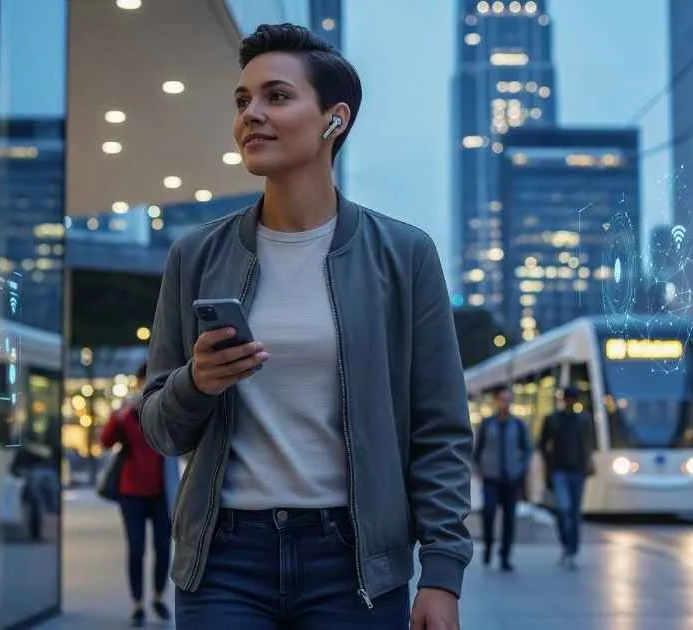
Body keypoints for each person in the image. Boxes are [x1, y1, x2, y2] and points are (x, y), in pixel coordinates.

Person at [139, 23, 472, 630]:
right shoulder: (196, 256)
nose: (251, 116)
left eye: (277, 97)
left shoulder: (404, 255)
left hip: (355, 564)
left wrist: (442, 573)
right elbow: (160, 428)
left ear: (334, 119)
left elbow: (440, 429)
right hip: (224, 560)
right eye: (242, 101)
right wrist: (198, 381)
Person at [102, 363, 172, 627]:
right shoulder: (128, 414)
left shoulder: (165, 412)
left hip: (162, 491)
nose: (148, 385)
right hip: (131, 492)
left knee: (164, 548)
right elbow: (106, 441)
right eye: (145, 379)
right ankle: (137, 603)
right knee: (136, 549)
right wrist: (118, 416)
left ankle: (157, 597)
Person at [472, 386, 530, 571]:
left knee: (509, 519)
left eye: (508, 399)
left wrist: (520, 467)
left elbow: (527, 449)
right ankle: (488, 546)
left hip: (511, 479)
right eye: (503, 399)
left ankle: (505, 556)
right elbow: (477, 449)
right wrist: (479, 468)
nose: (506, 403)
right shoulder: (487, 424)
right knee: (488, 513)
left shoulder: (518, 425)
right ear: (496, 401)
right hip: (491, 478)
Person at [538, 386, 595, 570]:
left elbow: (588, 444)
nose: (570, 402)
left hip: (577, 471)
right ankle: (567, 546)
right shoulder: (553, 419)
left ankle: (571, 550)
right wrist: (549, 465)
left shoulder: (584, 420)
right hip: (560, 471)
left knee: (574, 512)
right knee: (564, 509)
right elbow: (542, 444)